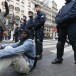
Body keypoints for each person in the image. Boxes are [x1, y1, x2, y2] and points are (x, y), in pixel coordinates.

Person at [52, 0, 76, 64]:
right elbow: (57, 16)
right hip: (62, 26)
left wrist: (62, 20)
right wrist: (58, 20)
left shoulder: (74, 2)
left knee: (74, 42)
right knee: (60, 42)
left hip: (72, 24)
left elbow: (73, 13)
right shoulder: (63, 7)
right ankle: (59, 58)